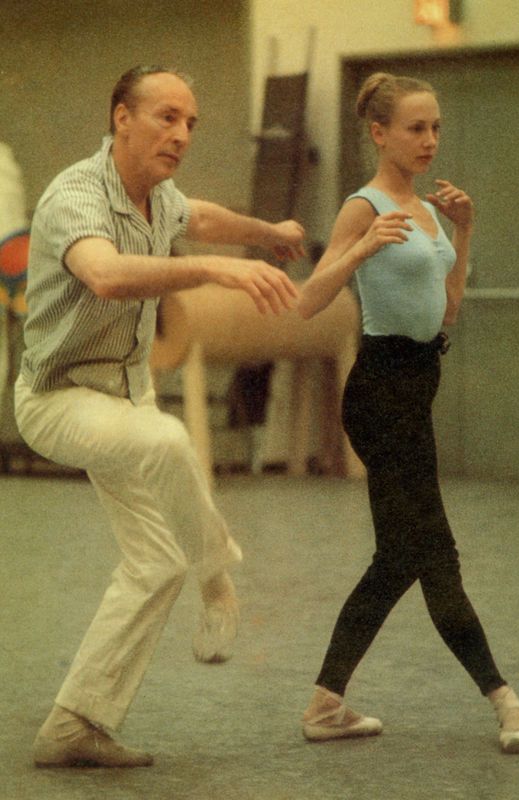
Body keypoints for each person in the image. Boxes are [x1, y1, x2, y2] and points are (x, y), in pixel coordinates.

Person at [15, 65, 305, 768]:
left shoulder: (160, 198)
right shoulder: (75, 195)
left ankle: (74, 722)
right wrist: (214, 271)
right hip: (58, 399)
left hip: (126, 395)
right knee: (170, 438)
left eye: (190, 123)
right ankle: (219, 573)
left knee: (154, 561)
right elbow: (108, 275)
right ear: (120, 118)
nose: (180, 134)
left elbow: (198, 216)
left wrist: (267, 232)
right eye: (165, 117)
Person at [297, 72, 519, 755]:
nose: (429, 140)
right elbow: (308, 302)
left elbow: (449, 309)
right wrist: (361, 248)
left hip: (418, 385)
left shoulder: (432, 211)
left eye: (435, 128)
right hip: (380, 392)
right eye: (415, 128)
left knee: (401, 556)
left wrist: (466, 226)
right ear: (379, 133)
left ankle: (324, 703)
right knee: (435, 552)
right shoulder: (361, 206)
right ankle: (503, 698)